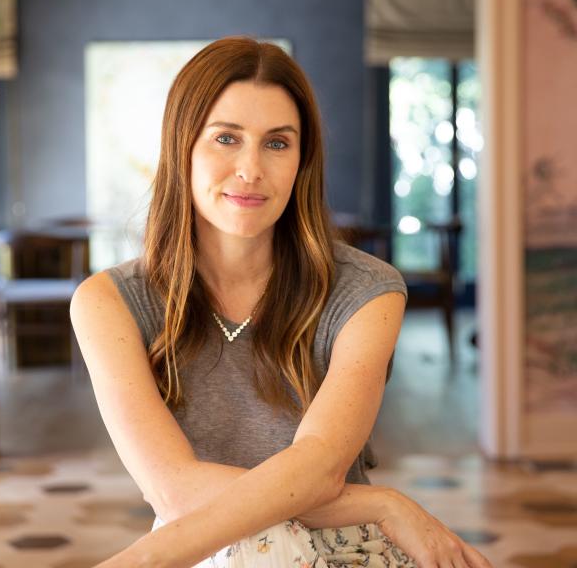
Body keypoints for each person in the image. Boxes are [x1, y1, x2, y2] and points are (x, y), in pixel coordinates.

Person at [70, 36, 493, 568]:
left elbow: (319, 466)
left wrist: (142, 559)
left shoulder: (367, 290)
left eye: (277, 143)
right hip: (201, 546)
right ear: (181, 145)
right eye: (226, 138)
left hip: (337, 549)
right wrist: (384, 503)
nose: (250, 169)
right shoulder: (108, 301)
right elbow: (173, 491)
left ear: (302, 160)